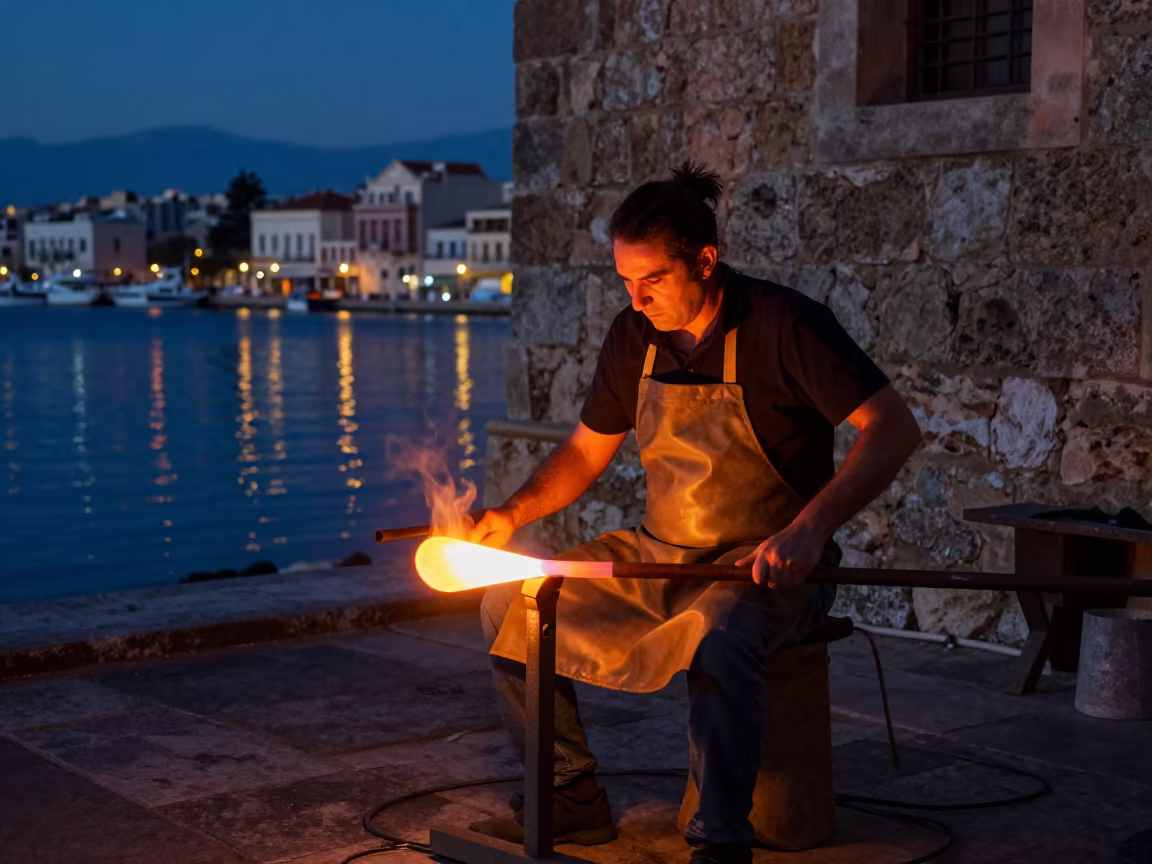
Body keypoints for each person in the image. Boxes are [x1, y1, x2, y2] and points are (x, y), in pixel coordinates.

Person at [467, 161, 922, 864]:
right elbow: (587, 454)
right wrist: (512, 513)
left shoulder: (786, 325)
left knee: (721, 631)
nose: (636, 297)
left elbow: (892, 427)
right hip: (661, 555)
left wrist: (809, 531)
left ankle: (720, 843)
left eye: (652, 280)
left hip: (767, 568)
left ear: (705, 261)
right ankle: (569, 795)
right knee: (511, 601)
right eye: (625, 280)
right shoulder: (633, 336)